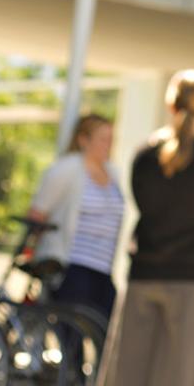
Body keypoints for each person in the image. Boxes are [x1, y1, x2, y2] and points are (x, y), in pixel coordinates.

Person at [112, 69, 194, 386]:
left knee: (128, 370)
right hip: (192, 277)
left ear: (170, 104)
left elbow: (143, 205)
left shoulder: (144, 156)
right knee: (182, 374)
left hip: (144, 272)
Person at [29, 113, 124, 324]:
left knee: (103, 331)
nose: (108, 144)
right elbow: (38, 214)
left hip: (103, 269)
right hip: (72, 266)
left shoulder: (113, 173)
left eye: (111, 139)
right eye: (103, 139)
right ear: (83, 140)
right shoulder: (67, 169)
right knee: (71, 334)